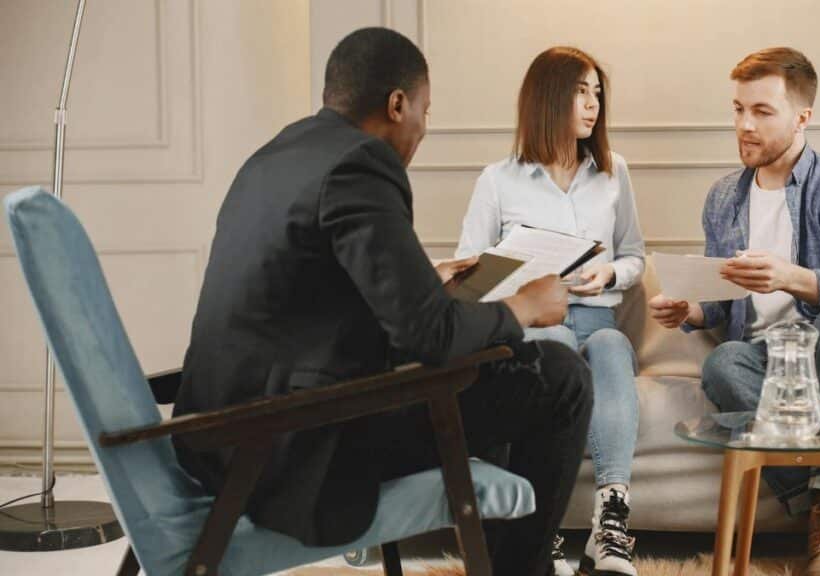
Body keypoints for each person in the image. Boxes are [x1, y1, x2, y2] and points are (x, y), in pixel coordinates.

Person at [173, 27, 593, 576]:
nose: (423, 127)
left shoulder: (274, 156)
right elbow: (430, 338)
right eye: (424, 110)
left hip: (221, 437)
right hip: (292, 450)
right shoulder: (361, 163)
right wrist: (525, 306)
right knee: (559, 375)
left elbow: (308, 301)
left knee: (493, 360)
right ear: (397, 104)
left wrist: (427, 285)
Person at [647, 47, 820, 575]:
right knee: (723, 362)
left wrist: (795, 278)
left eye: (762, 111)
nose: (744, 125)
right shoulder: (724, 197)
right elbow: (726, 297)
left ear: (802, 118)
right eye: (738, 109)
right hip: (774, 360)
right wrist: (692, 310)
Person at [457, 46, 644, 576]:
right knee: (555, 347)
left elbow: (634, 255)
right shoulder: (498, 179)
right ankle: (544, 533)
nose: (592, 104)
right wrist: (523, 282)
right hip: (537, 324)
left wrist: (610, 274)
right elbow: (471, 278)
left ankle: (611, 526)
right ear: (547, 98)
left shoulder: (613, 171)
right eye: (580, 92)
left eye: (597, 93)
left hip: (598, 316)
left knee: (611, 344)